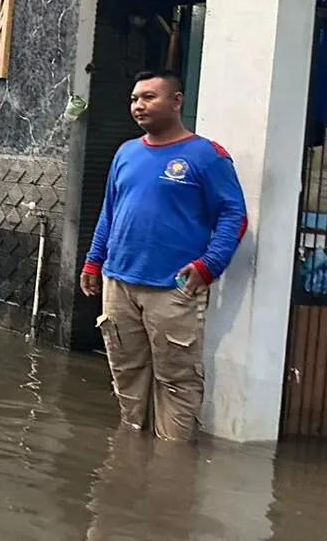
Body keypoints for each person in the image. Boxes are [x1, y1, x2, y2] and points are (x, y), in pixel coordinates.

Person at [80, 69, 247, 441]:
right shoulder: (126, 153)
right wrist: (94, 261)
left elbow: (234, 214)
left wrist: (209, 266)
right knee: (126, 373)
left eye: (149, 97)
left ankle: (172, 468)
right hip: (119, 282)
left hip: (173, 288)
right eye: (135, 99)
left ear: (176, 101)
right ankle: (132, 452)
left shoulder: (207, 156)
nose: (139, 106)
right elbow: (110, 211)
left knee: (177, 380)